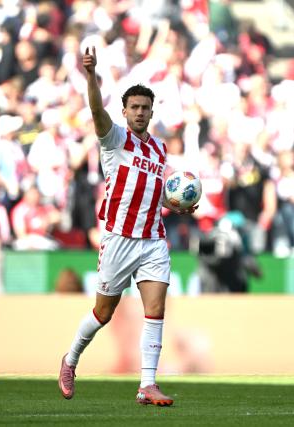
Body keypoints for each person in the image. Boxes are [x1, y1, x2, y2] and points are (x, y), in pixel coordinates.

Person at [58, 47, 196, 406]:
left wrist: (175, 205)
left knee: (156, 309)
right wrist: (91, 76)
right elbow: (95, 110)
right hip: (119, 237)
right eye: (133, 107)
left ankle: (147, 385)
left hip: (152, 239)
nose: (139, 112)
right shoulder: (114, 138)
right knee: (103, 312)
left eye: (144, 108)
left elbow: (154, 192)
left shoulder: (159, 150)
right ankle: (70, 359)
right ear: (124, 112)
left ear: (151, 112)